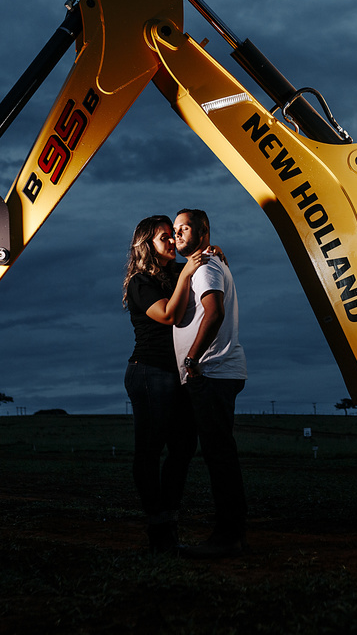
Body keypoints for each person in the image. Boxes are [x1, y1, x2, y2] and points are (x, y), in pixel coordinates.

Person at [121, 214, 210, 554]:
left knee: (185, 447)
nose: (173, 241)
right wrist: (188, 271)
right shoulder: (141, 282)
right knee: (149, 450)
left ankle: (167, 519)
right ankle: (158, 526)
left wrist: (210, 251)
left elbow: (197, 269)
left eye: (173, 235)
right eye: (164, 237)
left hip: (177, 373)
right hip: (149, 372)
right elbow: (169, 315)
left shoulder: (174, 272)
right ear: (147, 245)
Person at [171, 208, 248, 558]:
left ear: (203, 232)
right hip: (214, 373)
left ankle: (228, 536)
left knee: (219, 457)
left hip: (210, 372)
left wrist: (191, 360)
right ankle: (229, 532)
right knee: (219, 455)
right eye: (174, 230)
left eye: (184, 228)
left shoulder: (205, 268)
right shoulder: (206, 265)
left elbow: (213, 313)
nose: (177, 234)